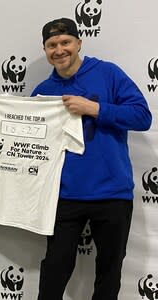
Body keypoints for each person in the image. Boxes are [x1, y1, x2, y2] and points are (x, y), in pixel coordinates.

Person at [31, 17, 152, 300]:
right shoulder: (42, 93)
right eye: (52, 45)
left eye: (65, 42)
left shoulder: (108, 73)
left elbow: (143, 116)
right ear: (45, 50)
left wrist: (95, 108)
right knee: (55, 267)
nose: (59, 50)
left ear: (78, 43)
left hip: (112, 192)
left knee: (109, 271)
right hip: (64, 195)